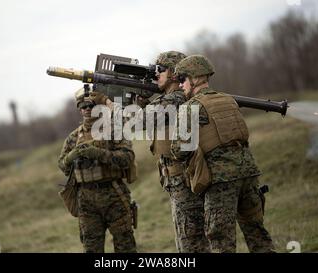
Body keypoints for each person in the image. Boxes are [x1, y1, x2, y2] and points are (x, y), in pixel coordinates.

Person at [171, 55, 275, 253]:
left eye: (182, 79)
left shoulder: (190, 107)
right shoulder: (228, 99)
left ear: (194, 79)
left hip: (222, 182)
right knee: (257, 233)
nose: (180, 85)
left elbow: (179, 150)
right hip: (249, 174)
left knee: (220, 241)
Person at [137, 51, 210, 253]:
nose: (156, 74)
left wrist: (110, 104)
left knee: (193, 244)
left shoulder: (177, 98)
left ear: (174, 73)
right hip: (177, 181)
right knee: (186, 242)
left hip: (187, 180)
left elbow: (136, 121)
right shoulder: (169, 99)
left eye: (161, 70)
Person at [58, 87, 137, 253]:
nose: (87, 109)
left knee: (125, 246)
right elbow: (63, 166)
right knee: (91, 248)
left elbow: (127, 158)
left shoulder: (113, 130)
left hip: (114, 194)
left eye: (90, 105)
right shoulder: (73, 138)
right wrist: (72, 157)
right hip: (86, 200)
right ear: (79, 110)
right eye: (83, 106)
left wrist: (98, 153)